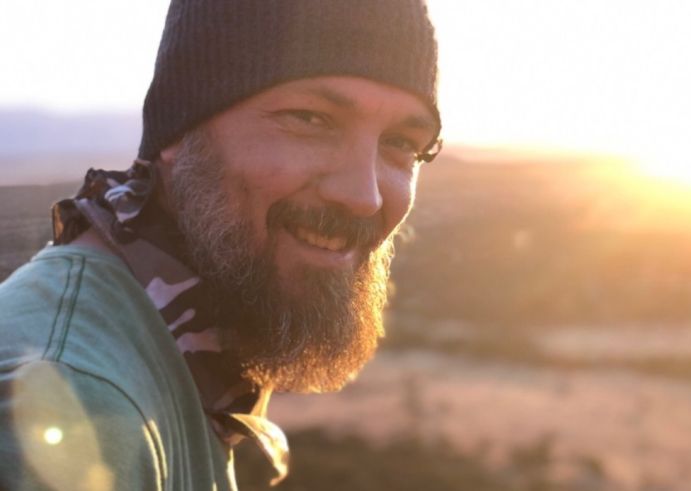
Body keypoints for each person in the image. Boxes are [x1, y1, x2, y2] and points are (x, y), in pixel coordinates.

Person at [0, 0, 442, 489]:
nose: (364, 196)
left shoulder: (179, 343)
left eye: (402, 143)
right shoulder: (76, 400)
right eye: (309, 118)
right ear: (179, 126)